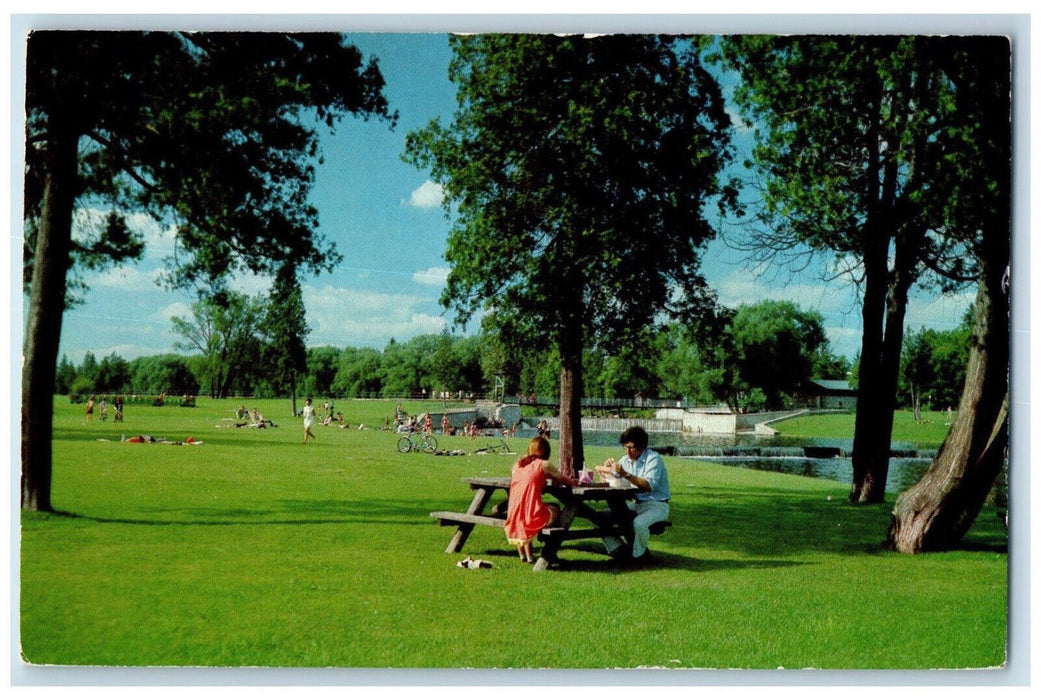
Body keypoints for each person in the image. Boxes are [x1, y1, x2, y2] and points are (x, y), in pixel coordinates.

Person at [597, 425, 670, 565]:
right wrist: (606, 469)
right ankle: (618, 549)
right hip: (636, 504)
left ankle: (638, 557)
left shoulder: (653, 459)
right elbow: (613, 479)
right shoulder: (625, 460)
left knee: (639, 523)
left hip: (657, 505)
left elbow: (648, 485)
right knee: (597, 517)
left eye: (632, 448)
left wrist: (625, 474)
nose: (628, 452)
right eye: (625, 447)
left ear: (642, 446)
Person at [504, 436, 578, 563]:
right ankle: (549, 550)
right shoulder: (544, 465)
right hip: (533, 516)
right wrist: (576, 482)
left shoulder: (518, 464)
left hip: (514, 514)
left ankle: (525, 556)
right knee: (555, 508)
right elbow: (565, 480)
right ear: (545, 450)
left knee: (525, 510)